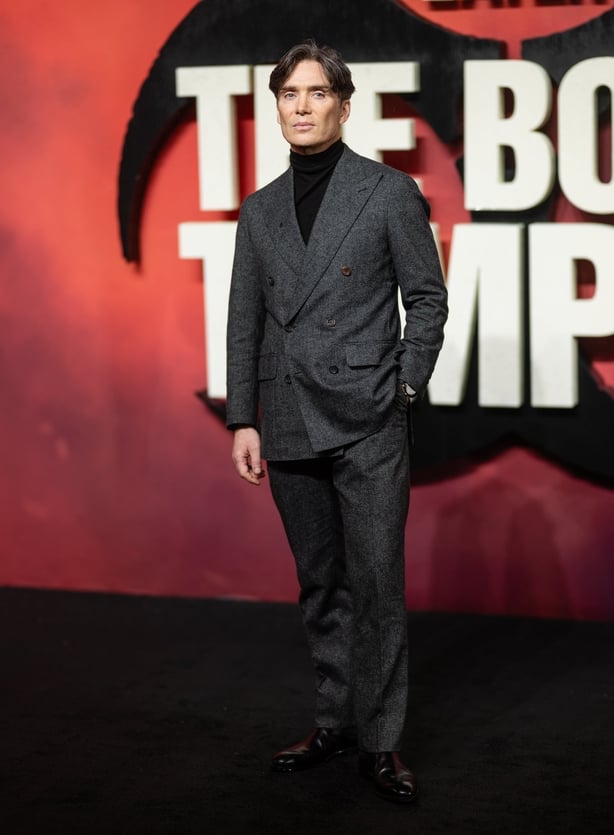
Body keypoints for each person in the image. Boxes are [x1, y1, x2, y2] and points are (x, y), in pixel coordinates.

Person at [226, 40, 447, 804]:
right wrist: (243, 417)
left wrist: (405, 385)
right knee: (320, 582)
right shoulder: (259, 211)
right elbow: (244, 321)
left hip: (369, 418)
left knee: (377, 584)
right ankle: (336, 721)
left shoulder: (387, 192)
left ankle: (381, 741)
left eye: (317, 92)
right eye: (289, 93)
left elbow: (427, 298)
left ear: (345, 106)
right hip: (287, 415)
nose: (302, 105)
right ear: (277, 107)